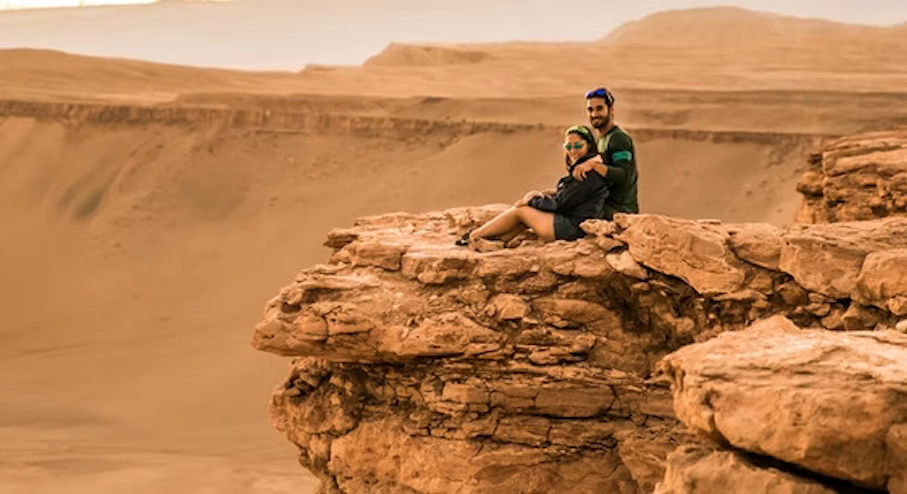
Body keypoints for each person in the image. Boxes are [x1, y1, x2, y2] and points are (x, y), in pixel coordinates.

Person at [457, 125, 608, 247]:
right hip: (573, 222)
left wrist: (532, 200)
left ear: (589, 145)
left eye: (578, 146)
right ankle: (495, 242)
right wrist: (545, 194)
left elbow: (560, 204)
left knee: (521, 211)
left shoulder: (587, 172)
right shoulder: (587, 166)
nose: (573, 151)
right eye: (568, 147)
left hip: (572, 228)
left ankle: (474, 236)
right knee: (527, 214)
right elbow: (572, 196)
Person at [572, 87, 639, 220]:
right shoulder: (602, 139)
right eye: (590, 110)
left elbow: (623, 174)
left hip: (619, 211)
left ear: (611, 109)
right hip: (603, 206)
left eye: (599, 108)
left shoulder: (618, 138)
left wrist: (593, 166)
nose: (594, 114)